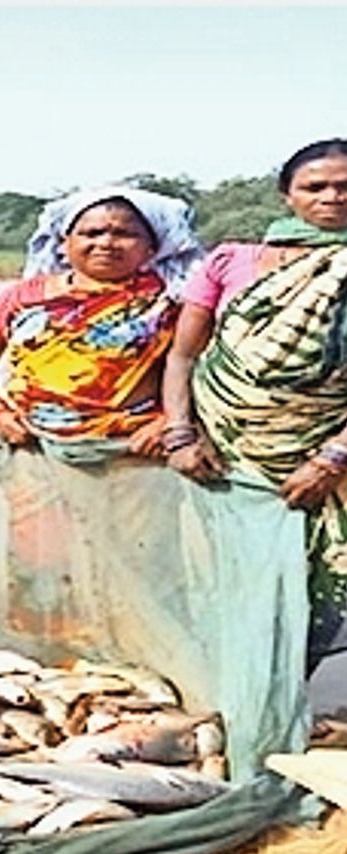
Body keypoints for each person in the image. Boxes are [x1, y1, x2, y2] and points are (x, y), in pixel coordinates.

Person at [162, 138, 347, 670]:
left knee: (319, 591)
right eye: (315, 187)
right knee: (233, 585)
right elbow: (182, 356)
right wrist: (180, 432)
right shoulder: (232, 260)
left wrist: (333, 458)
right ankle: (232, 708)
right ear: (287, 195)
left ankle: (281, 710)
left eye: (344, 187)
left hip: (327, 458)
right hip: (227, 459)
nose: (332, 197)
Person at [0, 186, 203, 455]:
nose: (106, 243)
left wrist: (170, 423)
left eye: (125, 234)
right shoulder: (23, 297)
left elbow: (198, 371)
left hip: (135, 451)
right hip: (33, 449)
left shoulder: (172, 303)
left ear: (151, 248)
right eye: (92, 233)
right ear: (65, 244)